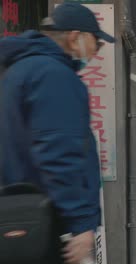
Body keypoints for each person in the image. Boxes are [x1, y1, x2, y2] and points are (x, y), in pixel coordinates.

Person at [0, 3, 115, 264]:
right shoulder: (55, 76)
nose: (96, 51)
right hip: (46, 221)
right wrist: (81, 223)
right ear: (75, 37)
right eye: (95, 42)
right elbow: (60, 152)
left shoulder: (17, 70)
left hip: (18, 215)